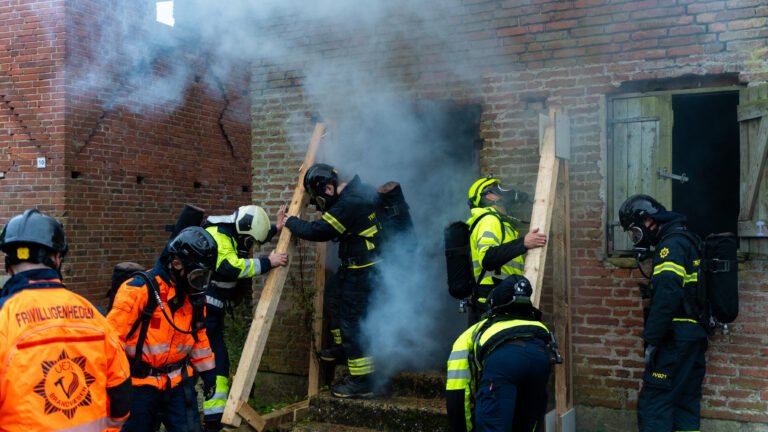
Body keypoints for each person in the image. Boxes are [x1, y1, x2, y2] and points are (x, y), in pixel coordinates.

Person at [0, 209, 132, 431]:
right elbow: (121, 391)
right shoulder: (95, 315)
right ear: (56, 259)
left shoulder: (4, 317)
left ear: (8, 264)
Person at [279, 163, 382, 399]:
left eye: (320, 198)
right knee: (333, 296)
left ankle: (362, 382)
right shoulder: (360, 192)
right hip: (357, 267)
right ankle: (342, 348)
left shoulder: (349, 203)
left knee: (353, 324)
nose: (323, 203)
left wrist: (290, 222)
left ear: (328, 188)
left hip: (364, 272)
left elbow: (320, 230)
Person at [107, 226, 218, 432]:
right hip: (139, 387)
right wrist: (113, 386)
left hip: (178, 383)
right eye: (197, 275)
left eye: (205, 276)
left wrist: (209, 374)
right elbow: (111, 341)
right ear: (176, 264)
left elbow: (198, 337)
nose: (200, 282)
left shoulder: (193, 297)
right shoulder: (138, 290)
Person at [619, 194, 708, 432]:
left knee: (655, 405)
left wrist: (652, 340)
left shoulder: (671, 245)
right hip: (694, 336)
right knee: (686, 403)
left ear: (649, 220)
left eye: (635, 230)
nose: (637, 237)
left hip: (674, 339)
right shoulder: (688, 239)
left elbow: (668, 293)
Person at [199, 205, 288, 431]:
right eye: (249, 241)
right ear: (242, 229)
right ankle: (197, 419)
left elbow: (249, 239)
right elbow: (230, 267)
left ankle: (213, 422)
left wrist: (276, 227)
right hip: (202, 314)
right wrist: (268, 263)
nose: (250, 247)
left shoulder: (235, 232)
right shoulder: (219, 235)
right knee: (209, 363)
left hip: (212, 312)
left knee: (217, 364)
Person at [445, 274, 555, 432]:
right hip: (541, 358)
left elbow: (457, 390)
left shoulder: (476, 331)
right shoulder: (536, 325)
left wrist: (462, 428)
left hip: (503, 364)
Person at [466, 175, 547, 323]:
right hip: (492, 299)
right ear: (490, 196)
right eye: (498, 189)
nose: (503, 191)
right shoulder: (489, 220)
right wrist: (523, 243)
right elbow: (488, 258)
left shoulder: (499, 222)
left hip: (503, 297)